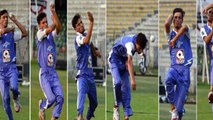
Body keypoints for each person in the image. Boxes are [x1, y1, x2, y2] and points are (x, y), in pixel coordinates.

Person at [108, 33, 148, 120]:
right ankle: (116, 106)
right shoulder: (130, 45)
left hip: (123, 61)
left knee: (126, 89)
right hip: (114, 59)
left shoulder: (138, 41)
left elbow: (140, 52)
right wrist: (133, 80)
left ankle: (126, 114)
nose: (140, 50)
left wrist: (143, 56)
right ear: (136, 43)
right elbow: (129, 62)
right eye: (139, 48)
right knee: (117, 82)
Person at [36, 3, 64, 120]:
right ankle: (42, 104)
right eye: (43, 22)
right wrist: (54, 22)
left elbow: (59, 28)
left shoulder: (51, 35)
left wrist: (53, 11)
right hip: (44, 73)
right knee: (51, 99)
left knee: (60, 98)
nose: (45, 23)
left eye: (46, 21)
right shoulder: (39, 34)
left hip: (53, 72)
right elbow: (51, 28)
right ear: (39, 25)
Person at [164, 8, 193, 120]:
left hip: (184, 70)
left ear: (182, 19)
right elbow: (166, 23)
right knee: (167, 80)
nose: (177, 20)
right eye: (175, 18)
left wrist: (175, 39)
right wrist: (172, 15)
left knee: (179, 112)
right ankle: (172, 108)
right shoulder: (169, 34)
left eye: (179, 17)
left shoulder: (186, 31)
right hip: (174, 68)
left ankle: (179, 110)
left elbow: (184, 28)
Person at [0, 9, 27, 120]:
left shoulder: (11, 35)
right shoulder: (6, 31)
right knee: (5, 99)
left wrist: (15, 21)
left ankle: (16, 99)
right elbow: (1, 32)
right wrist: (11, 28)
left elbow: (25, 33)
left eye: (7, 17)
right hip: (1, 72)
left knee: (15, 88)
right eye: (3, 17)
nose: (6, 19)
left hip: (11, 68)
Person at [72, 12, 98, 120]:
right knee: (81, 94)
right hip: (82, 74)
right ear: (75, 29)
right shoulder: (78, 38)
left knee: (94, 103)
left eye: (81, 22)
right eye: (78, 24)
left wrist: (95, 52)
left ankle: (86, 118)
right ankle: (79, 116)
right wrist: (91, 22)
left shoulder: (86, 34)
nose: (81, 25)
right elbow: (86, 40)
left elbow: (90, 42)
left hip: (90, 75)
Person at [200, 3, 213, 103]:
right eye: (209, 12)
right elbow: (207, 40)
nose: (211, 14)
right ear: (206, 15)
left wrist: (207, 7)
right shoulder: (204, 29)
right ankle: (211, 92)